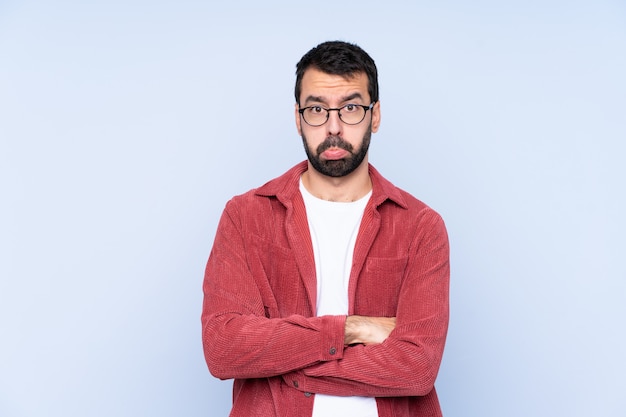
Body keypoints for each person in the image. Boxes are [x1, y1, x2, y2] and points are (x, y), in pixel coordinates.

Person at [201, 40, 450, 417]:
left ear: (375, 115)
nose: (333, 127)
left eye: (350, 108)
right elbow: (223, 349)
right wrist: (350, 329)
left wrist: (283, 365)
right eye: (317, 109)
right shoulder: (245, 217)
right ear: (298, 118)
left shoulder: (421, 227)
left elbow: (417, 370)